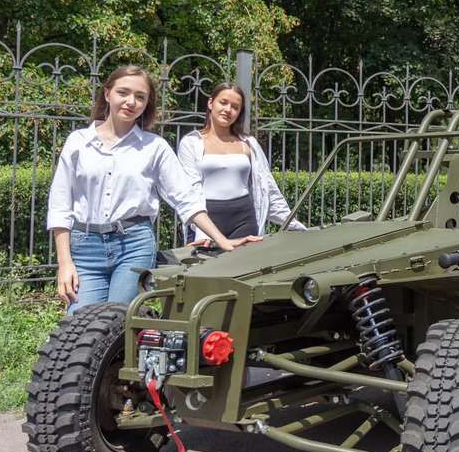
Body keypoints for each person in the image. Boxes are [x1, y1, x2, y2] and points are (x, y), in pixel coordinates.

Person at [48, 66, 246, 313]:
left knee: (117, 320)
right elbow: (60, 204)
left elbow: (186, 198)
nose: (131, 102)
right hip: (85, 248)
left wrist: (222, 241)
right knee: (77, 323)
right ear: (107, 94)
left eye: (140, 97)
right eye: (123, 92)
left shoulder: (155, 147)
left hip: (133, 245)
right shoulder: (78, 142)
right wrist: (64, 263)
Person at [178, 83, 305, 240]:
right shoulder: (191, 143)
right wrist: (202, 231)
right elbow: (190, 191)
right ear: (211, 103)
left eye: (235, 107)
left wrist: (295, 225)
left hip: (244, 221)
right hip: (207, 222)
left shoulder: (248, 143)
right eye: (223, 102)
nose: (228, 110)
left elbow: (267, 187)